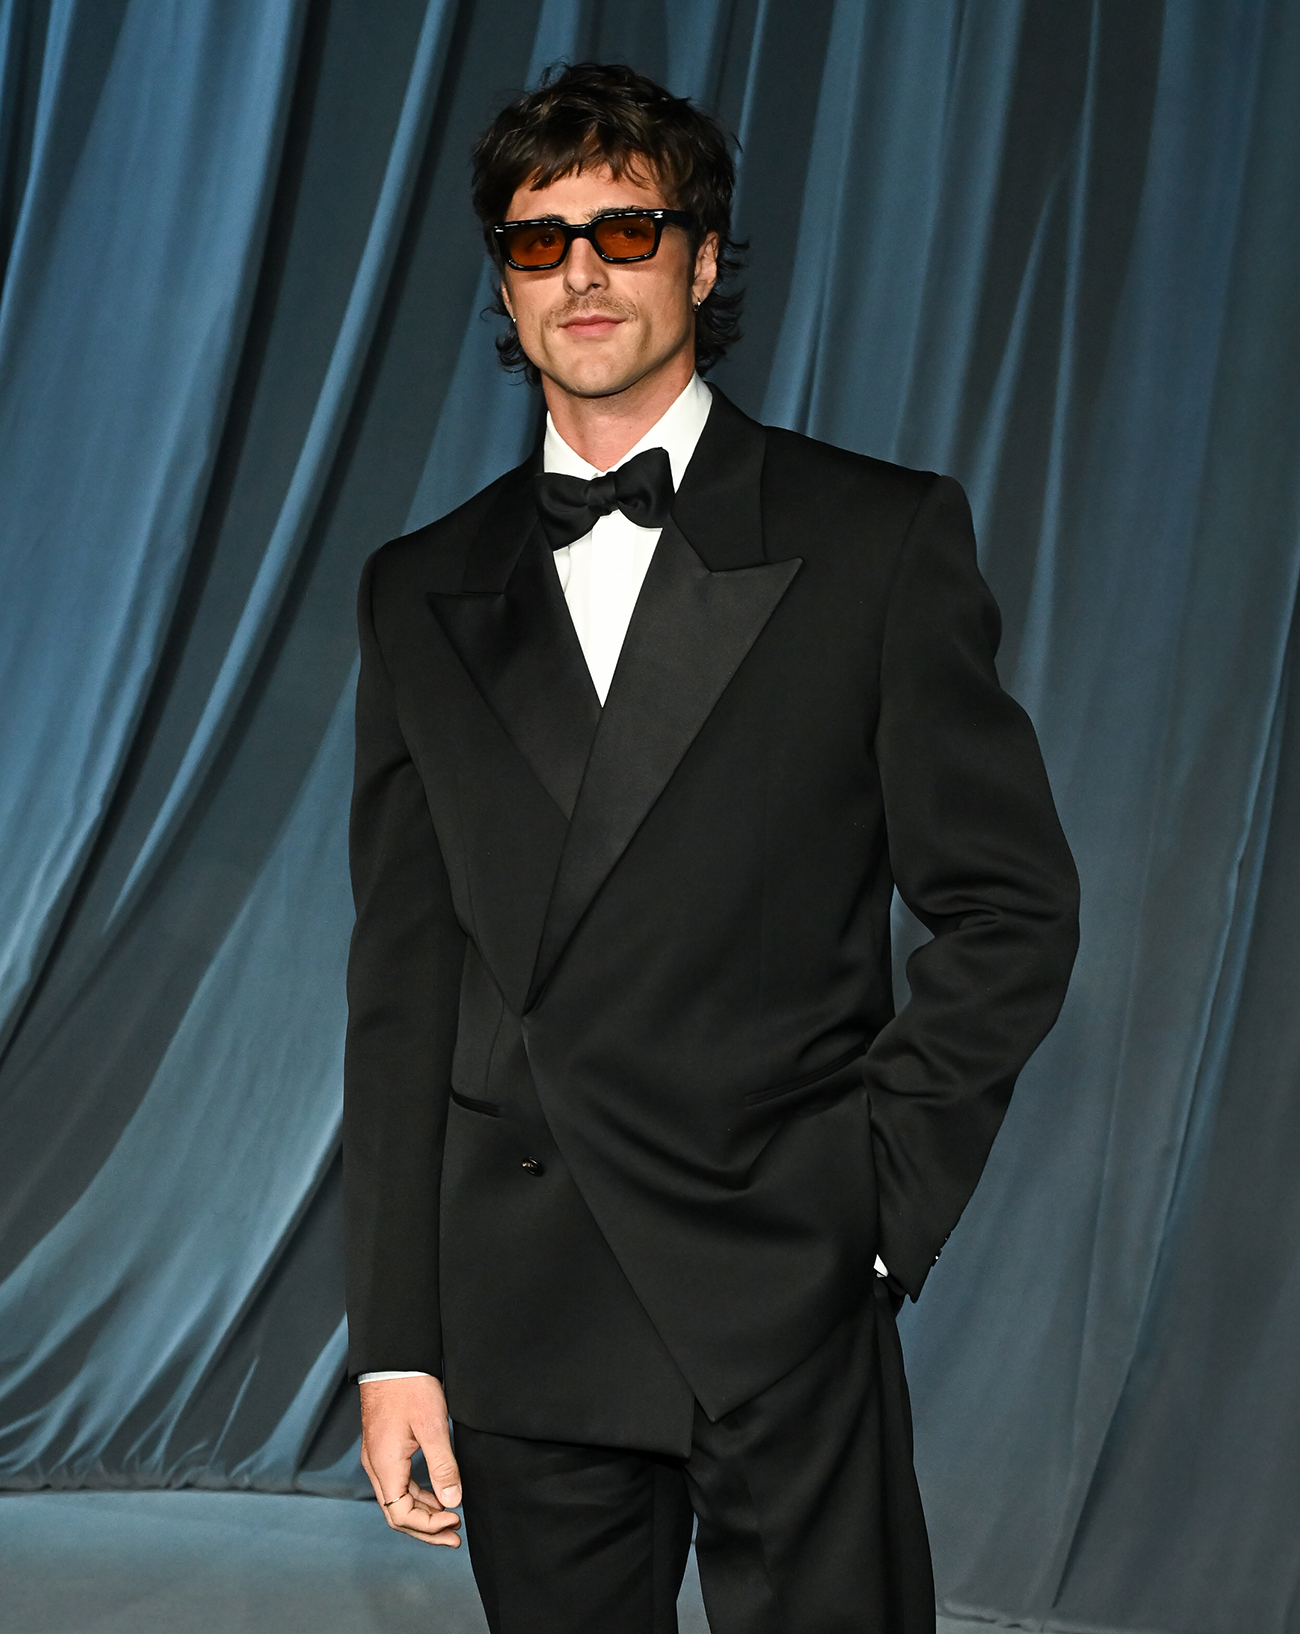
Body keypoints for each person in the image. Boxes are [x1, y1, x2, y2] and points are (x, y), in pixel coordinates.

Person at [343, 60, 1078, 1634]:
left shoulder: (875, 539)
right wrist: (397, 1336)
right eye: (542, 242)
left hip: (780, 1286)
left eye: (627, 227)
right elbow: (405, 979)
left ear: (703, 258)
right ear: (503, 276)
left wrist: (872, 1214)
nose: (585, 272)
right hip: (527, 1298)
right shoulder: (418, 587)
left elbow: (1009, 905)